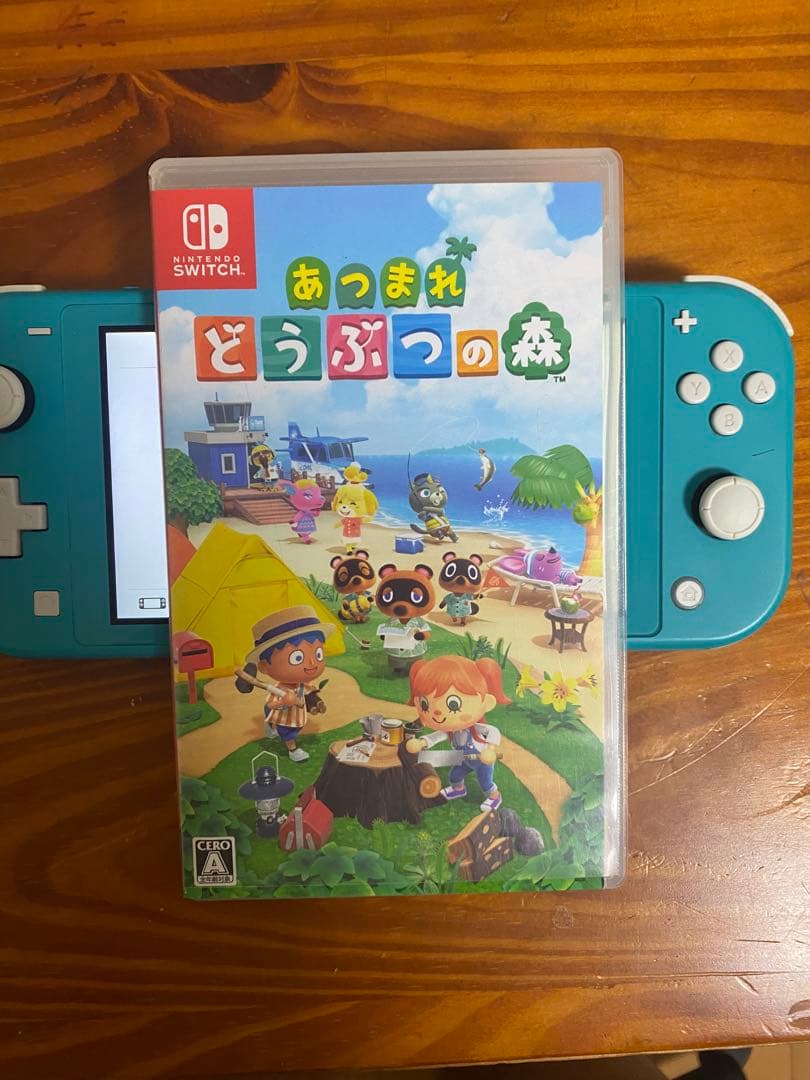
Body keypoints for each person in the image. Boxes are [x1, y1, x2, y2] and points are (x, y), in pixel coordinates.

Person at [405, 655, 510, 812]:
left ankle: (495, 797)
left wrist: (490, 750)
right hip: (464, 759)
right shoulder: (451, 730)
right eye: (425, 705)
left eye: (453, 705)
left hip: (481, 760)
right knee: (454, 776)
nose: (438, 713)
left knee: (485, 783)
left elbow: (493, 731)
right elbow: (438, 735)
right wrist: (422, 742)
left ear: (487, 703)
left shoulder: (475, 728)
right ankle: (458, 789)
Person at [234, 606, 334, 762]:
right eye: (297, 658)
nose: (312, 664)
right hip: (286, 717)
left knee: (296, 725)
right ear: (264, 667)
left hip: (298, 716)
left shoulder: (302, 684)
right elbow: (272, 705)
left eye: (318, 654)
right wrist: (283, 702)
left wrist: (313, 700)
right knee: (288, 732)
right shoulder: (280, 689)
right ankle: (293, 750)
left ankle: (271, 724)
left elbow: (307, 693)